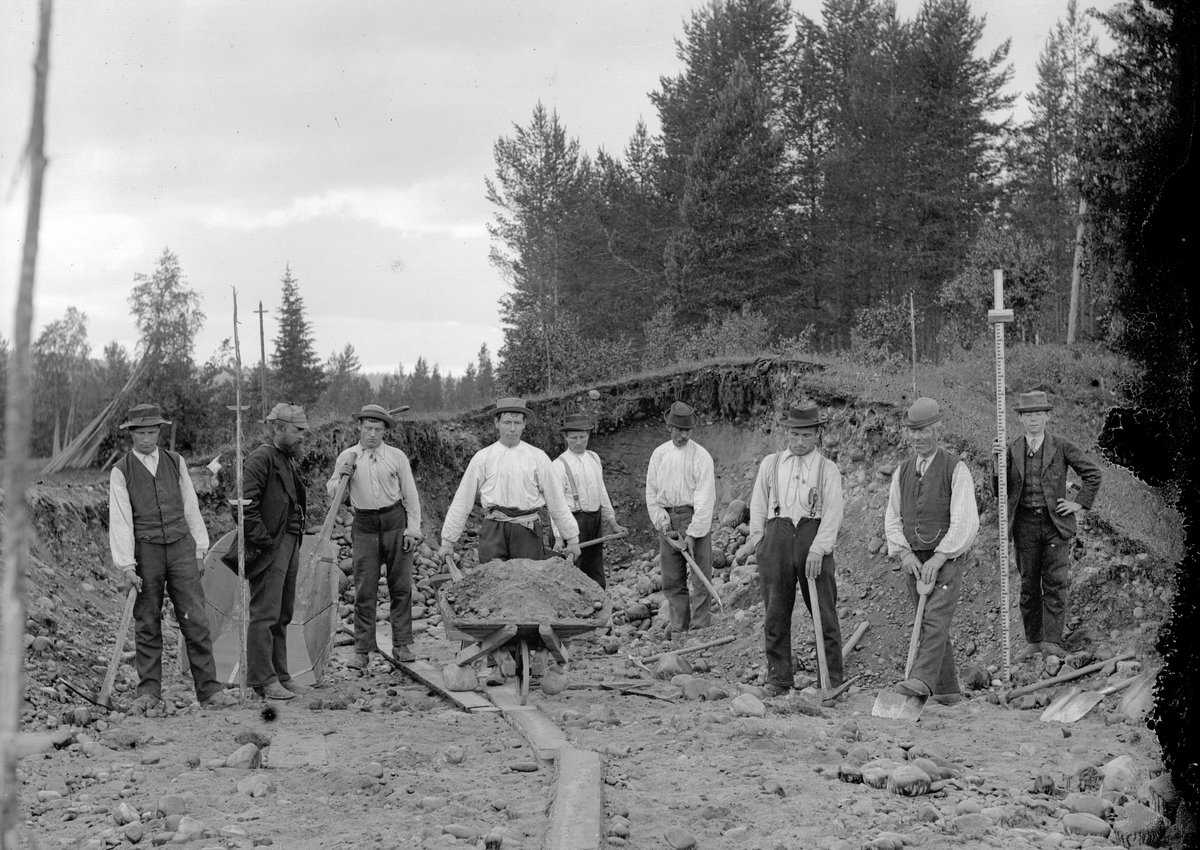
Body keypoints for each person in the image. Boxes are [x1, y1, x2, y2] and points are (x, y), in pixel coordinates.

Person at [108, 403, 237, 711]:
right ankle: (150, 691)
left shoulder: (175, 462)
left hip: (181, 548)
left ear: (159, 432)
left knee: (195, 619)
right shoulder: (121, 471)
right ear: (131, 435)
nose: (146, 439)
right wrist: (126, 564)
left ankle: (209, 691)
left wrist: (199, 549)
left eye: (152, 432)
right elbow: (121, 520)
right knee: (147, 621)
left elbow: (191, 508)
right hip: (146, 552)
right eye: (140, 433)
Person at [735, 402, 844, 696]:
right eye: (795, 435)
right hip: (777, 537)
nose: (799, 442)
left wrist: (819, 549)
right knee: (775, 613)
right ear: (786, 432)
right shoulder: (771, 464)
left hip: (812, 538)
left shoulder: (827, 468)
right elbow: (758, 504)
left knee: (824, 610)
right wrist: (760, 542)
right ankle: (779, 678)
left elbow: (833, 512)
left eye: (806, 436)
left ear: (816, 436)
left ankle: (830, 681)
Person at [993, 391, 1103, 660]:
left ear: (1047, 417)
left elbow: (1093, 474)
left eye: (1038, 414)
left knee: (1054, 582)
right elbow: (1000, 491)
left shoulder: (1061, 446)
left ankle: (1052, 641)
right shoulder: (1011, 448)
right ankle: (1033, 641)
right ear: (1020, 419)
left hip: (1055, 524)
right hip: (1025, 524)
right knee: (1028, 584)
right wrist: (996, 467)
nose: (1033, 420)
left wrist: (1078, 504)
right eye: (1027, 415)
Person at [883, 397, 979, 705]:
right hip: (914, 557)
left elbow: (965, 521)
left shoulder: (956, 468)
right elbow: (892, 516)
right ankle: (948, 690)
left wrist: (940, 557)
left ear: (938, 429)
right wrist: (906, 554)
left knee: (936, 619)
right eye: (913, 431)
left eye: (924, 430)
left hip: (946, 557)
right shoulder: (902, 471)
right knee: (925, 619)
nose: (919, 437)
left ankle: (921, 680)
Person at [223, 402, 309, 700]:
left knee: (282, 612)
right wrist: (265, 542)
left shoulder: (284, 459)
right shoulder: (261, 459)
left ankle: (281, 675)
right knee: (265, 612)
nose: (302, 437)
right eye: (297, 431)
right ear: (277, 429)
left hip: (288, 542)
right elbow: (241, 506)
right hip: (272, 546)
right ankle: (262, 679)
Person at [329, 404, 423, 669]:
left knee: (401, 587)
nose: (372, 434)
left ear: (385, 431)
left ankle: (402, 644)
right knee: (364, 588)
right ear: (359, 427)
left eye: (378, 429)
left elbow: (411, 496)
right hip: (365, 524)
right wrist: (342, 477)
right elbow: (332, 491)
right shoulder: (347, 456)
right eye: (368, 428)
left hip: (395, 521)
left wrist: (412, 530)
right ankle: (362, 650)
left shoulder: (396, 457)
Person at [438, 398, 581, 565]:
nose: (512, 428)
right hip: (494, 531)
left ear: (524, 424)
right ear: (496, 423)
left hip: (527, 531)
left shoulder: (538, 457)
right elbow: (463, 501)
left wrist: (572, 538)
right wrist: (448, 541)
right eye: (507, 422)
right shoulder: (483, 458)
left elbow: (556, 501)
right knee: (492, 580)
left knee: (528, 581)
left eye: (517, 422)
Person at [645, 401, 717, 637]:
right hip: (668, 519)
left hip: (693, 516)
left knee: (700, 578)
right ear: (669, 428)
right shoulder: (659, 455)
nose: (683, 435)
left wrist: (694, 533)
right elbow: (652, 493)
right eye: (679, 430)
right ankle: (679, 629)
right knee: (672, 579)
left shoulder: (701, 456)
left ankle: (699, 630)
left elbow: (705, 498)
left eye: (687, 430)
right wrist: (663, 523)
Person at [550, 413, 626, 588]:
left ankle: (599, 607)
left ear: (588, 435)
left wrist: (612, 522)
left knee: (595, 570)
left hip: (594, 519)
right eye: (574, 438)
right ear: (565, 437)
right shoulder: (558, 465)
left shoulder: (594, 458)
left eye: (582, 437)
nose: (578, 442)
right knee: (572, 572)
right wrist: (559, 537)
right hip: (572, 522)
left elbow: (602, 492)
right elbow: (555, 505)